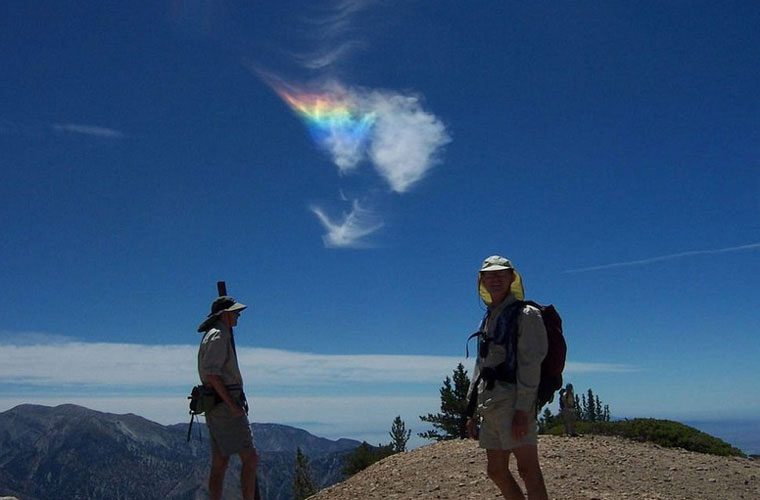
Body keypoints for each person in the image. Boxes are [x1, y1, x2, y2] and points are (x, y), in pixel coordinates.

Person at [466, 255, 549, 500]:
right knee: (496, 470)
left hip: (513, 401)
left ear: (512, 277)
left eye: (501, 274)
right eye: (489, 275)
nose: (495, 279)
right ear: (482, 279)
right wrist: (471, 408)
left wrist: (523, 409)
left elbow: (530, 364)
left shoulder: (526, 314)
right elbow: (481, 365)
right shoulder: (490, 316)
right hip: (490, 403)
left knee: (527, 468)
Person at [197, 295, 258, 500]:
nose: (238, 315)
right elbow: (212, 374)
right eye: (236, 312)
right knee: (250, 458)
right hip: (225, 405)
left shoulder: (215, 334)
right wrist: (232, 405)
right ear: (225, 314)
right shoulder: (219, 336)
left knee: (220, 460)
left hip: (216, 405)